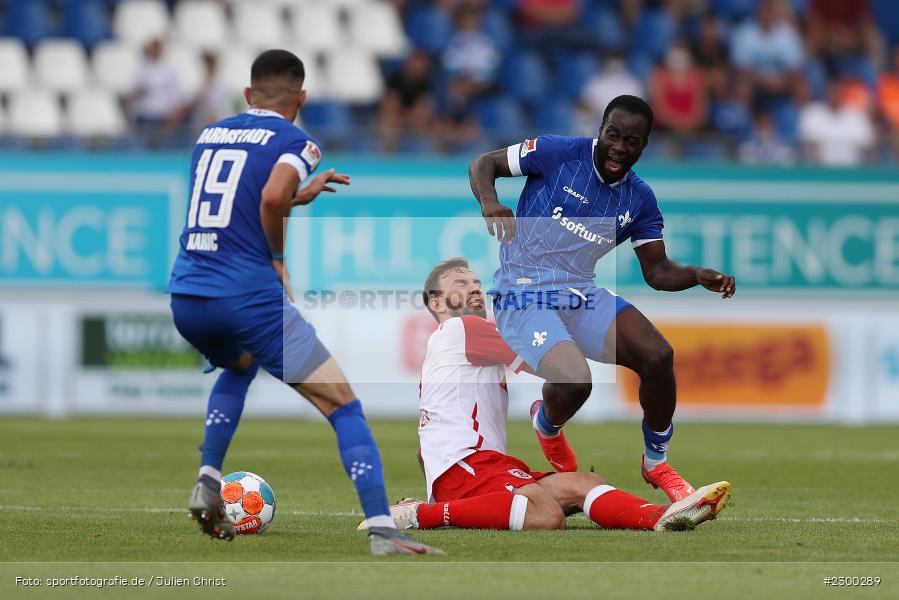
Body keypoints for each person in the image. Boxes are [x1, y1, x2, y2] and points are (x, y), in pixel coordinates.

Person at [166, 49, 442, 556]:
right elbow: (270, 198)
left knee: (240, 363)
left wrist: (297, 195)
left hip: (187, 293)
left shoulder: (208, 134)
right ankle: (383, 530)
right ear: (302, 98)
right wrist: (276, 257)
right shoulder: (297, 141)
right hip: (245, 295)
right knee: (344, 406)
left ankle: (208, 475)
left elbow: (240, 200)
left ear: (248, 95)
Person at [468, 95, 736, 503]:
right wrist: (489, 202)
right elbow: (483, 163)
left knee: (658, 356)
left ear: (643, 146)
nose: (619, 148)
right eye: (613, 135)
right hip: (522, 294)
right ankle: (546, 424)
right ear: (601, 130)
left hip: (581, 292)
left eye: (631, 141)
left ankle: (656, 462)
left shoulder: (639, 199)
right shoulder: (557, 153)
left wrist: (695, 275)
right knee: (576, 382)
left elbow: (657, 271)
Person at [359, 258, 731, 532]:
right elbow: (554, 365)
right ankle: (418, 514)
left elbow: (424, 447)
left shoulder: (453, 345)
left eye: (475, 280)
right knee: (545, 515)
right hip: (467, 466)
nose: (474, 286)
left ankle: (662, 517)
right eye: (459, 282)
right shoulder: (465, 329)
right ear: (436, 303)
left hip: (477, 467)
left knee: (585, 484)